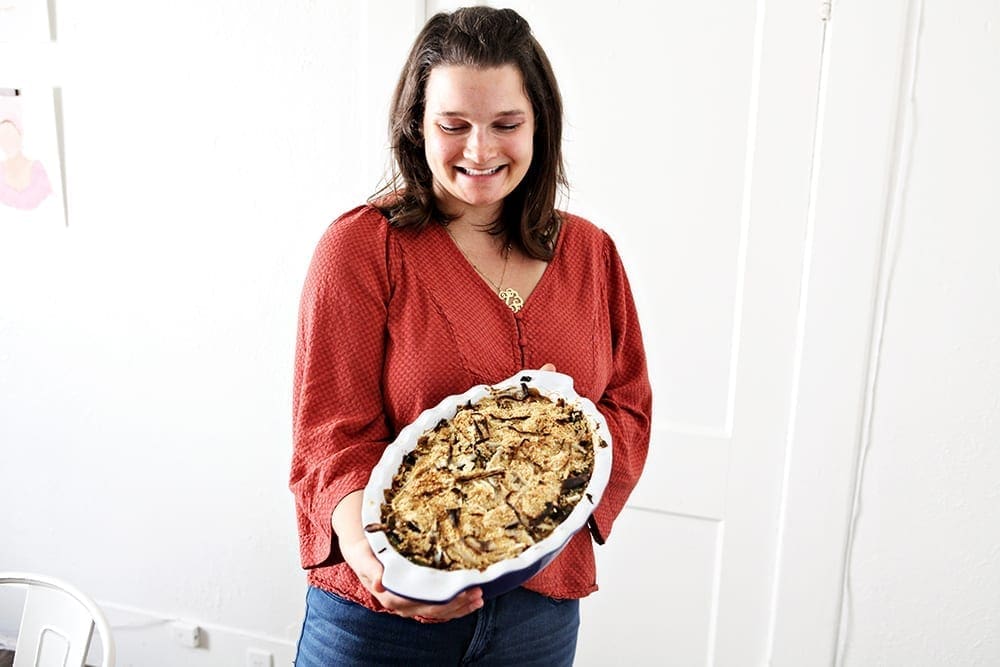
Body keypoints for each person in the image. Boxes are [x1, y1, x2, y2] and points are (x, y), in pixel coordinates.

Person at [290, 6, 651, 665]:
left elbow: (627, 406)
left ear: (540, 123)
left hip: (538, 618)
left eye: (506, 124)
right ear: (416, 127)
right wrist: (376, 561)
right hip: (380, 619)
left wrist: (550, 502)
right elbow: (328, 439)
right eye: (453, 125)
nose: (479, 151)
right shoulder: (361, 249)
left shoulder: (592, 255)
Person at [0, 94, 53, 211]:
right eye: (2, 136)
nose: (6, 140)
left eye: (10, 134)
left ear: (20, 136)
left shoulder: (39, 168)